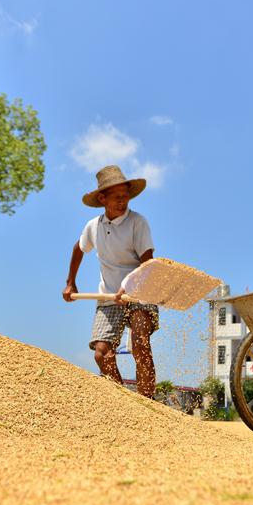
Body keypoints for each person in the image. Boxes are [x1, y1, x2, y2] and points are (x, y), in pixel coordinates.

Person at [62, 165, 159, 398]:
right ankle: (125, 403)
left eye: (126, 196)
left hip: (139, 293)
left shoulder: (138, 223)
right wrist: (70, 282)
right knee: (101, 353)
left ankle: (148, 404)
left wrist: (128, 286)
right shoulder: (93, 227)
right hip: (109, 297)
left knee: (140, 345)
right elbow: (79, 248)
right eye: (117, 197)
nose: (123, 201)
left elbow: (148, 265)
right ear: (103, 198)